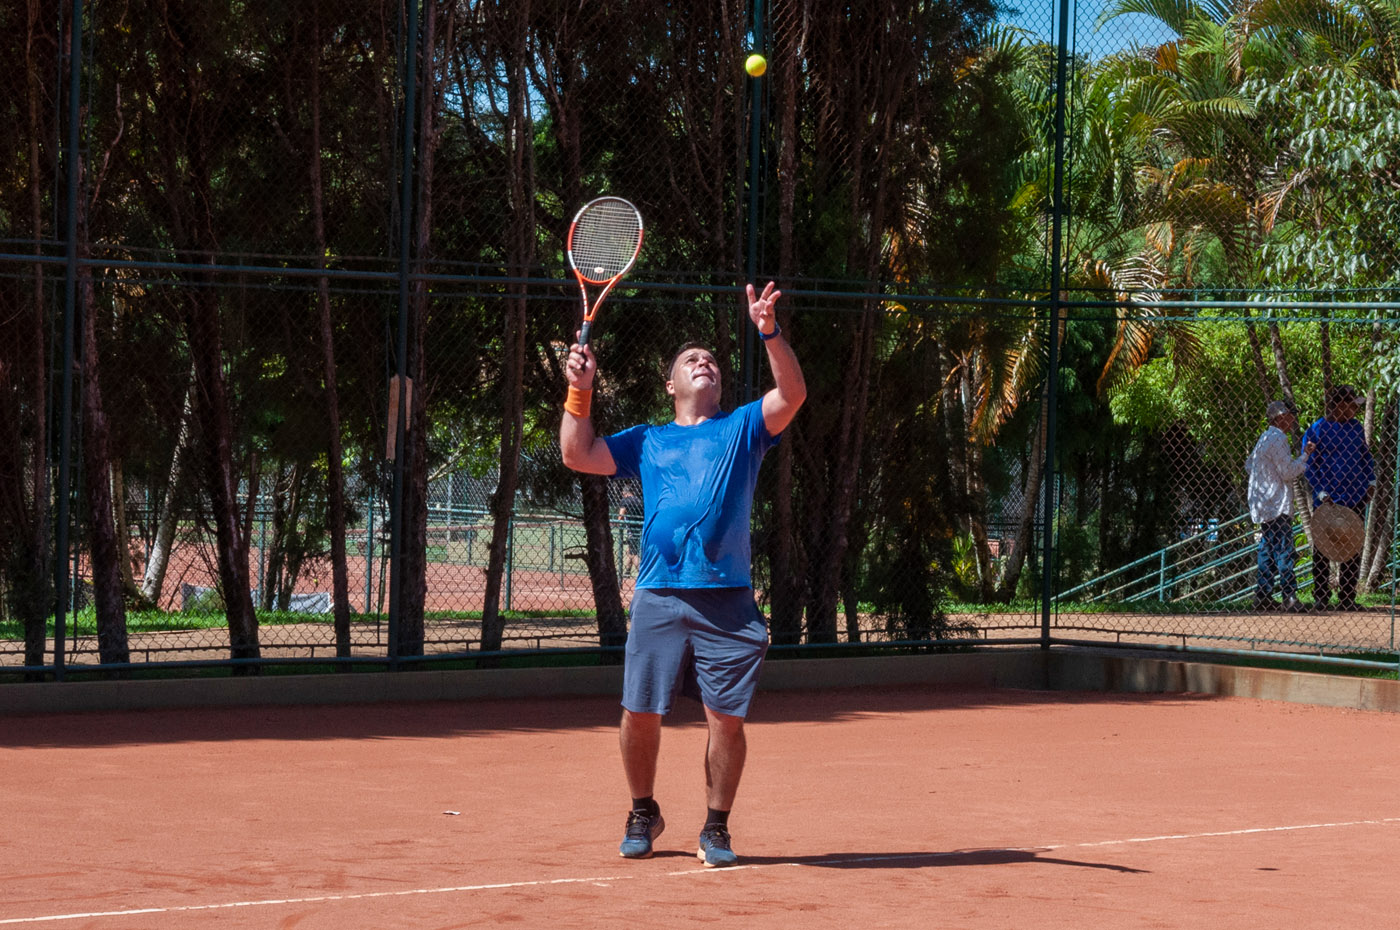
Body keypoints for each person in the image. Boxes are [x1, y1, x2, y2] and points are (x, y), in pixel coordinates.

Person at [559, 281, 805, 868]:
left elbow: (792, 393)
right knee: (640, 711)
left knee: (726, 720)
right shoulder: (648, 440)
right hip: (659, 593)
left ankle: (716, 827)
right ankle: (643, 810)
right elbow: (576, 453)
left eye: (712, 360)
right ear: (670, 384)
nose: (704, 363)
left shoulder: (742, 428)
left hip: (727, 599)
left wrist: (769, 331)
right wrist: (579, 390)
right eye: (691, 359)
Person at [1301, 384, 1375, 610]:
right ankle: (1321, 597)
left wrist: (1371, 481)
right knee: (1322, 549)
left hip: (1355, 496)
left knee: (1352, 546)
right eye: (1353, 405)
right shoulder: (1318, 429)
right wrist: (1321, 491)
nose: (1355, 410)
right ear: (1341, 405)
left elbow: (1365, 456)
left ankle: (1347, 598)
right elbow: (1309, 465)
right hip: (1328, 500)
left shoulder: (1355, 427)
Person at [1244, 400, 1314, 612]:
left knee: (1267, 549)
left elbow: (1249, 465)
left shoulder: (1265, 437)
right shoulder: (1278, 438)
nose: (1293, 419)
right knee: (1284, 549)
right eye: (1290, 415)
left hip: (1264, 502)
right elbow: (1287, 472)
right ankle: (1289, 596)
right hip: (1276, 503)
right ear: (1280, 417)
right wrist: (1305, 456)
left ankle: (1263, 596)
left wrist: (1266, 480)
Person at [617, 489, 642, 578]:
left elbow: (621, 516)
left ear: (624, 493)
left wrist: (618, 523)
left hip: (631, 529)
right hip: (640, 528)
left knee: (633, 553)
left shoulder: (625, 501)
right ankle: (627, 572)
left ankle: (641, 572)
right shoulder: (639, 500)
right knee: (630, 550)